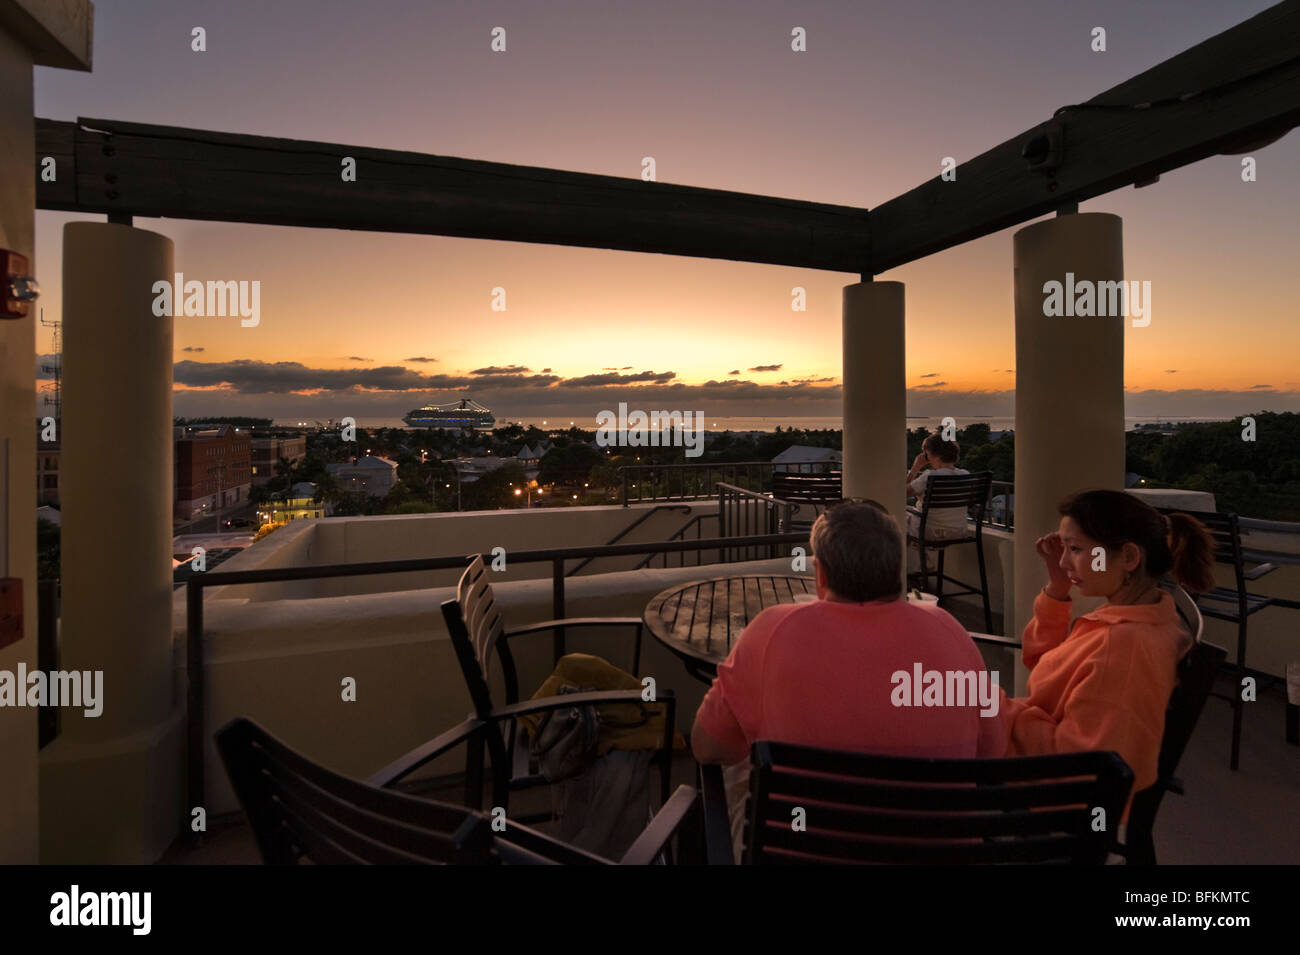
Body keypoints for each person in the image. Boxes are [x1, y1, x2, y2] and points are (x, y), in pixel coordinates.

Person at [691, 500, 1005, 859]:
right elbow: (990, 754)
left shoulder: (772, 631)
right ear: (896, 567)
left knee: (738, 774)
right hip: (938, 851)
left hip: (800, 850)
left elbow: (708, 748)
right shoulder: (952, 632)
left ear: (820, 574)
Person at [996, 489, 1215, 815]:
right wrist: (1058, 588)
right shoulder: (1139, 613)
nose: (1062, 560)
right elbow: (1044, 663)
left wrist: (998, 710)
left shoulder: (1123, 650)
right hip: (1033, 754)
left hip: (1041, 800)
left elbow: (1080, 772)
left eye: (1076, 549)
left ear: (1128, 557)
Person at [905, 434, 970, 540]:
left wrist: (915, 468)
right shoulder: (965, 474)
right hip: (958, 531)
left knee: (894, 514)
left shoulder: (930, 476)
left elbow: (902, 494)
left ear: (929, 454)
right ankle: (924, 555)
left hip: (930, 532)